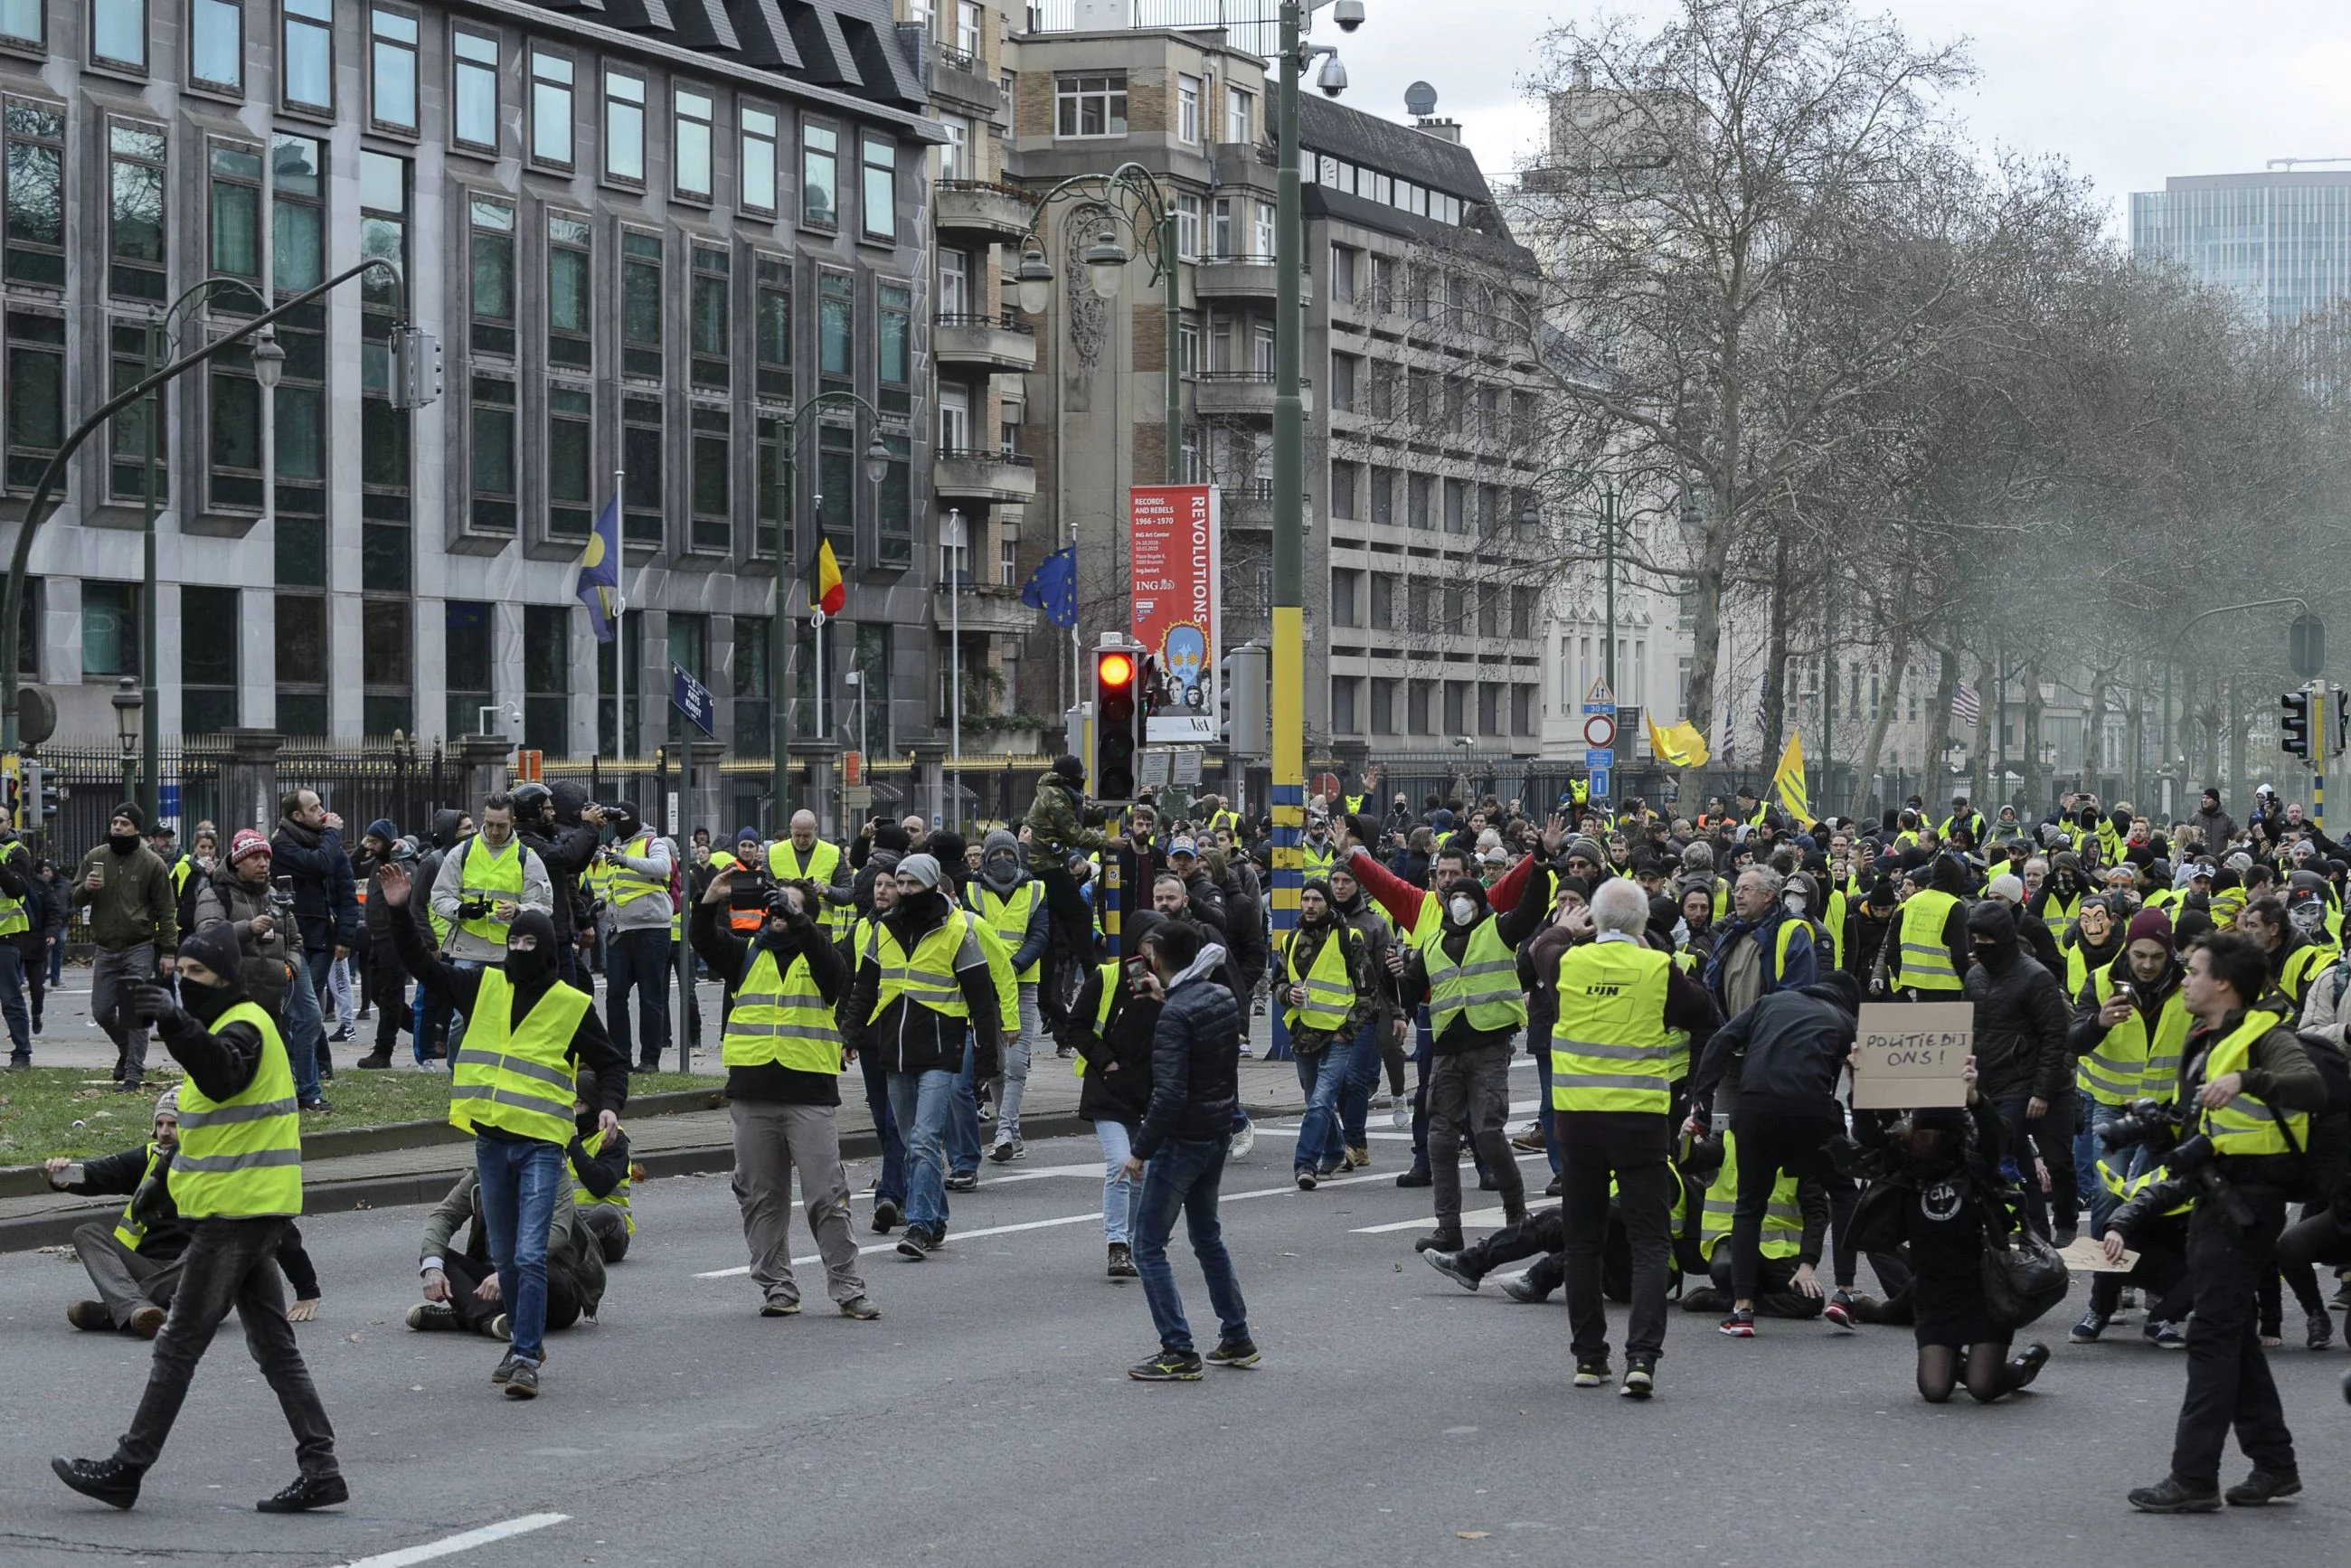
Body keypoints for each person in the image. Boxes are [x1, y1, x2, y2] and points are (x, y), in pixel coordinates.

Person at [50, 923, 344, 1515]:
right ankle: (321, 1468)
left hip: (236, 1213)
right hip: (245, 1208)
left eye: (196, 975)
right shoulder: (221, 1021)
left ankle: (127, 1468)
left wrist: (176, 1023)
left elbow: (222, 1071)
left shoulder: (243, 1026)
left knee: (179, 1343)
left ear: (225, 978)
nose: (185, 984)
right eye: (179, 975)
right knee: (274, 1347)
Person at [378, 860, 628, 1398]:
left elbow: (611, 1063)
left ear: (548, 953)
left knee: (528, 1253)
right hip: (491, 1142)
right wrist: (401, 913)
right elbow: (422, 965)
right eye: (512, 944)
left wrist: (610, 1105)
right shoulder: (482, 987)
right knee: (506, 1253)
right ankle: (527, 1341)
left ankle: (522, 1357)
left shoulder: (570, 1004)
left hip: (542, 1145)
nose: (518, 953)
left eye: (527, 946)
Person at [2114, 932, 2327, 1513]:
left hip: (2248, 1204)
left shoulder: (2267, 1035)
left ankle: (2193, 1478)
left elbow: (2310, 1086)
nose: (2184, 979)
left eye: (2193, 971)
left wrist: (2248, 1080)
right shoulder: (2205, 1038)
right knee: (2231, 1334)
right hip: (2213, 1198)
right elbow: (2200, 1129)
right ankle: (2275, 1466)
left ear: (2224, 983)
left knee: (2210, 1335)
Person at [1551, 878, 1720, 1398]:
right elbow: (1706, 1015)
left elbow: (1539, 949)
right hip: (1641, 1122)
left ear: (1594, 921)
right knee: (1650, 1241)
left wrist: (1563, 929)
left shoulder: (1567, 963)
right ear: (1644, 925)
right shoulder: (1656, 968)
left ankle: (1588, 1358)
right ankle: (1641, 1359)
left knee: (1582, 1242)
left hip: (1578, 1121)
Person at [690, 870, 879, 1319]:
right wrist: (708, 901)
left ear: (806, 917)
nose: (779, 913)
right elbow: (705, 941)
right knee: (759, 1197)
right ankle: (778, 1288)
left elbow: (832, 971)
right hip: (752, 1094)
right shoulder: (745, 955)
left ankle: (848, 1288)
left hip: (808, 1094)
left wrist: (799, 920)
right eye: (776, 906)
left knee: (826, 1197)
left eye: (790, 907)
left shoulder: (823, 959)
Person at [1848, 1073, 2053, 1404]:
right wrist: (1862, 1084)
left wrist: (1975, 1099)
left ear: (1953, 1137)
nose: (1926, 1141)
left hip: (1985, 1292)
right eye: (1921, 1134)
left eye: (1936, 1135)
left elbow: (1997, 1135)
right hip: (1934, 1295)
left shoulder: (1975, 1168)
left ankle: (2022, 1366)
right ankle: (1955, 1361)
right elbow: (1870, 1133)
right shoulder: (1906, 1170)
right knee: (1934, 1390)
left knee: (1983, 1389)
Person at [841, 853, 1003, 1260]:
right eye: (902, 884)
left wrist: (987, 1058)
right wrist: (851, 1033)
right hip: (895, 1048)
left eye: (914, 884)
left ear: (932, 886)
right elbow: (865, 986)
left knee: (925, 1138)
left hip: (940, 1047)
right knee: (914, 1142)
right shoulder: (883, 929)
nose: (906, 891)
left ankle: (917, 1224)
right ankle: (937, 1217)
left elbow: (982, 999)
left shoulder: (958, 931)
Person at [1687, 972, 1862, 1334]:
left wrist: (1701, 1101)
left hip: (1755, 1107)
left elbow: (1720, 1041)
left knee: (1749, 1205)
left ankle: (1743, 1310)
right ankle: (1844, 1295)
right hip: (1811, 1109)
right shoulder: (1845, 1021)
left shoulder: (1770, 1003)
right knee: (1845, 1194)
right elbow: (1864, 1076)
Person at [1123, 919, 1258, 1380]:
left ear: (1156, 960)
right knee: (1207, 1237)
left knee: (1147, 1246)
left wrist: (1140, 1150)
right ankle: (1237, 1336)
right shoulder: (1217, 996)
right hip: (1216, 1131)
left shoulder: (1175, 1015)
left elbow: (1169, 1094)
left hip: (1181, 1140)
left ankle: (1178, 1350)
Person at [1399, 870, 1549, 1251]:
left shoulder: (1498, 929)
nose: (1459, 903)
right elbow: (1411, 986)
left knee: (1487, 1133)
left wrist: (1542, 863)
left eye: (1466, 896)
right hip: (1447, 1052)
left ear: (1480, 903)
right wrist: (1395, 975)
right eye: (1453, 897)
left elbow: (1531, 908)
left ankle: (1517, 1213)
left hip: (1489, 1047)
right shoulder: (1432, 942)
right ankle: (1448, 1228)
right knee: (1441, 1140)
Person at [1964, 901, 2078, 1243]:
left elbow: (2054, 1037)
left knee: (2057, 1160)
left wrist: (2042, 1091)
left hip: (2039, 1083)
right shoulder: (1974, 977)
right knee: (2010, 1154)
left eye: (1986, 938)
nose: (1979, 945)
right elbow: (1968, 1028)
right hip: (1997, 1083)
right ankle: (2036, 1231)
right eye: (1975, 937)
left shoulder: (2037, 978)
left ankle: (2066, 1222)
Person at [1066, 912, 1162, 1278]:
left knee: (1143, 1171)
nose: (1155, 952)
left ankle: (1135, 1243)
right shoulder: (1107, 978)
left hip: (1150, 1091)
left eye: (1160, 945)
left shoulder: (1168, 983)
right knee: (1122, 1164)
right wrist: (1105, 1062)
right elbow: (1076, 1026)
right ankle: (1117, 1245)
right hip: (1109, 1087)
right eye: (1149, 943)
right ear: (1136, 942)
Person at [408, 1165, 606, 1340]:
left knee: (539, 1271)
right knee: (438, 1258)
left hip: (552, 1281)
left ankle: (464, 1317)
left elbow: (558, 1232)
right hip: (492, 1281)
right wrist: (433, 1268)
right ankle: (490, 1320)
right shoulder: (482, 1174)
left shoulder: (552, 1170)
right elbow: (444, 1216)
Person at [73, 803, 179, 1093]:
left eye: (124, 823)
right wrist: (87, 889)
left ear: (137, 829)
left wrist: (169, 951)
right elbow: (73, 897)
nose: (117, 827)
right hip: (106, 947)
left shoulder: (152, 863)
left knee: (134, 1014)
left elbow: (166, 910)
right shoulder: (96, 857)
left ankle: (133, 1075)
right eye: (115, 822)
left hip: (139, 946)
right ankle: (125, 1049)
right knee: (103, 1011)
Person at [1279, 880, 1376, 1189]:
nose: (1309, 905)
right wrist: (1287, 994)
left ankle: (1305, 1163)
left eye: (1316, 899)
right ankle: (1335, 1151)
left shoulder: (1349, 939)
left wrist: (1347, 1031)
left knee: (1321, 1101)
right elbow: (1278, 981)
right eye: (1305, 899)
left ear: (1328, 903)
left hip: (1337, 1035)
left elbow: (1367, 991)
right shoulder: (1291, 940)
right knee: (1313, 1100)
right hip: (1303, 1034)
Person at [1022, 757, 1123, 1034]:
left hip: (1050, 865)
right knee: (1078, 914)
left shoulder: (1062, 793)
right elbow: (1075, 833)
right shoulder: (1055, 797)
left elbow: (1082, 817)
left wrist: (1116, 807)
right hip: (1046, 867)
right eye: (1081, 775)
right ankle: (1091, 970)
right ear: (1071, 777)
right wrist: (1107, 842)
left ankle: (1061, 1020)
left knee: (1055, 933)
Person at [269, 789, 359, 1095]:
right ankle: (311, 1068)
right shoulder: (283, 844)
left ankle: (313, 1068)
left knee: (308, 1006)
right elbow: (317, 864)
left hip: (323, 938)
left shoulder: (329, 846)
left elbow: (346, 892)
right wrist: (333, 834)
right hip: (293, 938)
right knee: (304, 1009)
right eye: (314, 807)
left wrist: (345, 935)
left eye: (321, 805)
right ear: (297, 815)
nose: (323, 812)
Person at [971, 829, 1048, 1161]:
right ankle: (1012, 1136)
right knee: (998, 1065)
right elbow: (967, 935)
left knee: (1017, 1063)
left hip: (1023, 983)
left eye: (1008, 854)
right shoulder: (972, 891)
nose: (1002, 860)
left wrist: (1012, 966)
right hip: (985, 987)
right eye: (995, 855)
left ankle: (1003, 1132)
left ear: (1017, 856)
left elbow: (1040, 935)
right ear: (986, 859)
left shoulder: (1035, 889)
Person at [595, 801, 676, 1071]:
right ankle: (621, 1058)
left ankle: (649, 1060)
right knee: (615, 996)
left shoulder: (653, 842)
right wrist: (603, 901)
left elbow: (662, 868)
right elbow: (617, 885)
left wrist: (626, 860)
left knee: (650, 997)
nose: (620, 822)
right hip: (621, 931)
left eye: (624, 817)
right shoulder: (619, 846)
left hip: (651, 931)